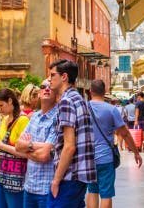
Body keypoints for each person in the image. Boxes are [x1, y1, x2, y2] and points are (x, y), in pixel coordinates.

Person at [85, 80, 142, 208]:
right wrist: (136, 152)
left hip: (88, 158)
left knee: (92, 191)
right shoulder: (111, 110)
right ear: (105, 92)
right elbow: (125, 134)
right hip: (105, 158)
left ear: (90, 92)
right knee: (106, 194)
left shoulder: (84, 108)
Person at [48, 59, 96, 208]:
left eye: (52, 75)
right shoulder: (78, 99)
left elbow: (69, 146)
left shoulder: (66, 101)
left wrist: (56, 180)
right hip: (80, 174)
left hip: (69, 175)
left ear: (64, 77)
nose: (49, 79)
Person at [15, 78, 59, 208]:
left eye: (50, 86)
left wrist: (27, 147)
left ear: (56, 93)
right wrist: (35, 146)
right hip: (29, 186)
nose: (46, 88)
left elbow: (45, 156)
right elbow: (18, 145)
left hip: (47, 188)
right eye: (43, 86)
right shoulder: (35, 117)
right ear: (39, 93)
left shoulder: (58, 118)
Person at [0, 88, 29, 208]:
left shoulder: (23, 121)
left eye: (1, 105)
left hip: (15, 177)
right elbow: (0, 152)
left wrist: (0, 145)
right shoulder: (4, 120)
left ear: (10, 101)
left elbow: (25, 153)